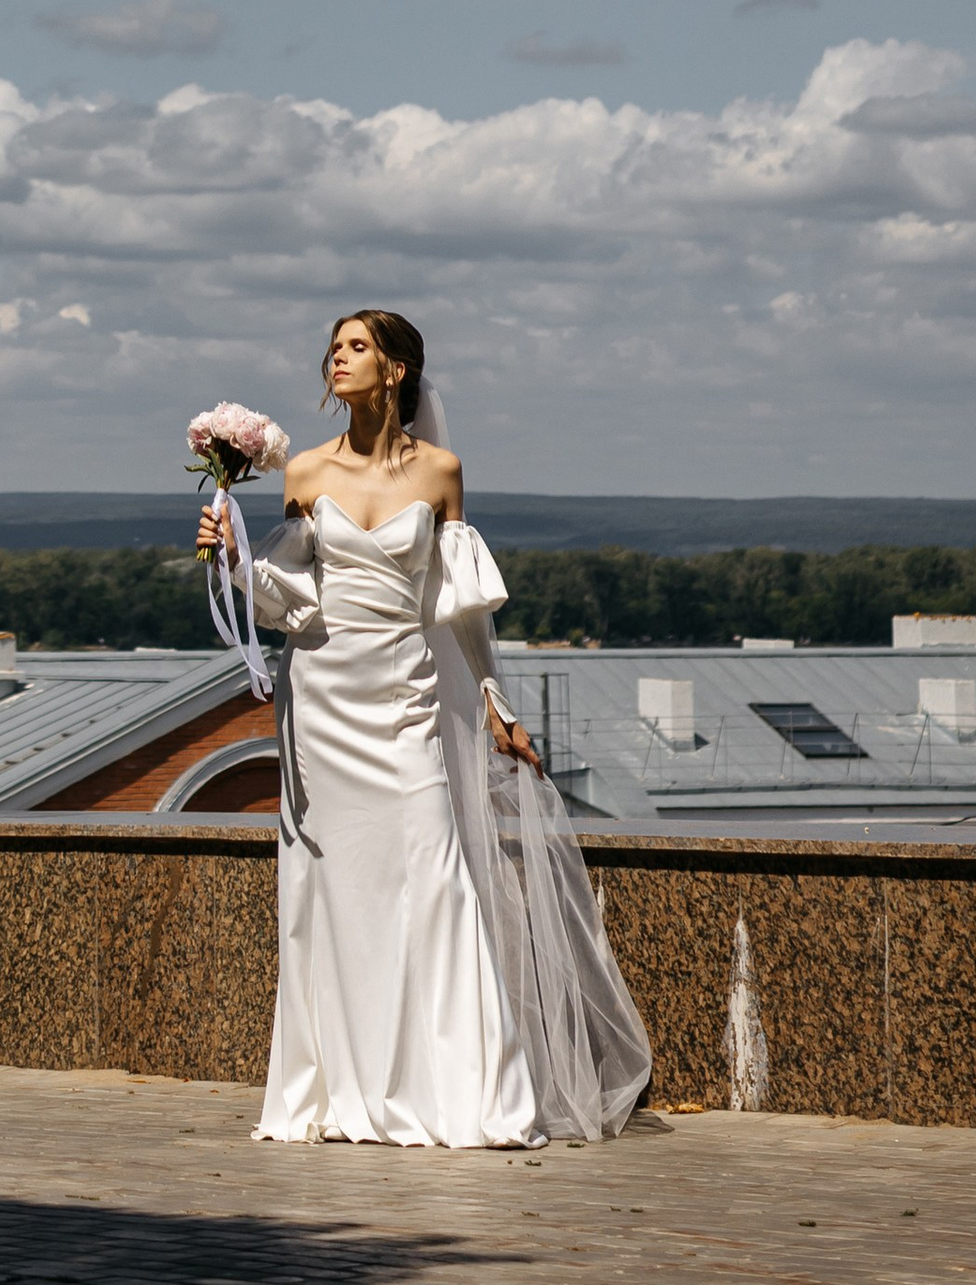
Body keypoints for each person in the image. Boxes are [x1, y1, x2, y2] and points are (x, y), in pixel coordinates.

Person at [198, 306, 650, 1150]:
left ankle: (464, 1093)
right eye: (333, 348)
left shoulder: (442, 472)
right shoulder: (303, 473)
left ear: (397, 370)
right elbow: (291, 603)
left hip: (405, 699)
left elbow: (462, 608)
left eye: (357, 347)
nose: (338, 359)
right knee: (329, 896)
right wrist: (231, 561)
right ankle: (335, 1090)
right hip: (324, 703)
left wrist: (495, 704)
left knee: (435, 877)